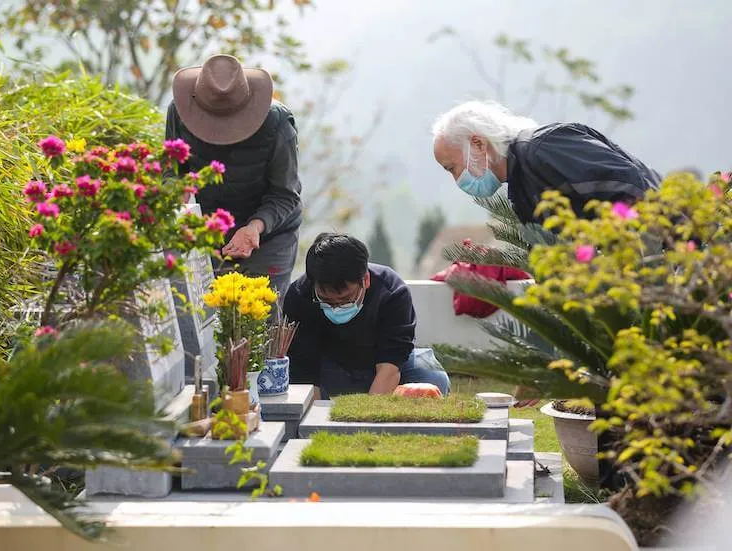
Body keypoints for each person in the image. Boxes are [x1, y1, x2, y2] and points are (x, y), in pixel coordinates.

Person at [166, 54, 302, 299]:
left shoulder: (278, 124)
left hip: (269, 235)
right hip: (209, 230)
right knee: (207, 311)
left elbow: (284, 194)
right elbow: (172, 168)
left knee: (259, 316)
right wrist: (176, 189)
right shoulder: (179, 112)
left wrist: (254, 228)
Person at [432, 100, 661, 223]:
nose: (457, 179)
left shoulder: (544, 147)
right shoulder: (520, 184)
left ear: (479, 144)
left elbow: (628, 184)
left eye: (452, 168)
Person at [283, 232, 451, 399]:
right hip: (331, 367)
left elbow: (391, 366)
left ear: (366, 280)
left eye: (345, 299)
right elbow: (304, 372)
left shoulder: (392, 291)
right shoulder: (299, 295)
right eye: (326, 301)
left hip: (389, 365)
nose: (336, 308)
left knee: (433, 379)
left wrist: (368, 418)